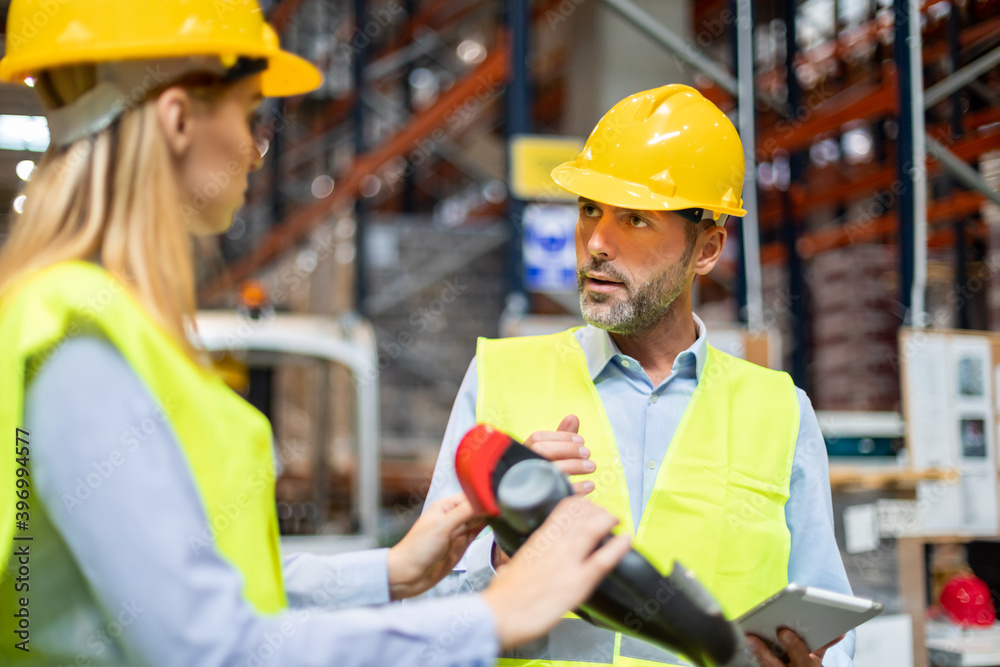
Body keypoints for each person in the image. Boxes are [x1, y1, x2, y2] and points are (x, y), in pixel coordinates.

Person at [0, 1, 633, 665]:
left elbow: (200, 589)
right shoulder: (80, 339)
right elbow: (212, 646)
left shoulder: (94, 322)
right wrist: (493, 617)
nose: (256, 148)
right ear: (179, 118)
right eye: (249, 117)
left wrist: (390, 571)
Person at [422, 84, 856, 667]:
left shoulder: (779, 411)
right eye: (589, 211)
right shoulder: (500, 378)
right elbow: (426, 601)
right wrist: (502, 551)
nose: (597, 243)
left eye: (634, 219)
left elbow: (828, 618)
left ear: (706, 249)